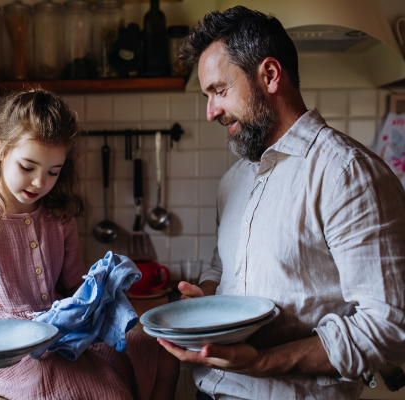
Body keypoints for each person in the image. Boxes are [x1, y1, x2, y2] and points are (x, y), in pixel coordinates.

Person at [157, 6, 405, 400]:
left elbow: (390, 327)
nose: (210, 112)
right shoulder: (234, 180)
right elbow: (222, 267)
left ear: (270, 75)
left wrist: (260, 362)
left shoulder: (346, 173)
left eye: (219, 91)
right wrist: (206, 299)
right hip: (210, 390)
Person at [0, 89, 179, 400]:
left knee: (164, 354)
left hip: (62, 332)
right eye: (27, 167)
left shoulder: (59, 216)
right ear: (0, 150)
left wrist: (102, 294)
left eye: (53, 172)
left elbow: (76, 284)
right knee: (108, 392)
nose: (39, 183)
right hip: (6, 351)